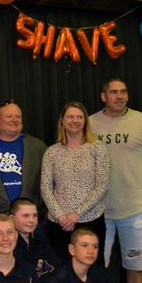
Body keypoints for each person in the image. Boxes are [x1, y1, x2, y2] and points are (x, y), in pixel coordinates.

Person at [89, 78, 142, 283]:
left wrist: (136, 182)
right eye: (113, 92)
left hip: (134, 210)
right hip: (99, 211)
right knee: (99, 268)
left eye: (123, 92)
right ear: (104, 96)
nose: (119, 96)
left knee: (135, 267)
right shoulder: (90, 123)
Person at [40, 101, 110, 261]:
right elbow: (45, 188)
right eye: (70, 117)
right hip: (59, 224)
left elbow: (102, 186)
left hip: (90, 220)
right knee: (60, 272)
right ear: (62, 121)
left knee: (92, 273)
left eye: (79, 117)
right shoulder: (51, 152)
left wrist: (76, 214)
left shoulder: (97, 148)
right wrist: (61, 217)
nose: (75, 120)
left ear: (85, 121)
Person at [0, 100, 48, 219]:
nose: (14, 120)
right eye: (9, 116)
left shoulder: (38, 147)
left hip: (31, 218)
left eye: (18, 116)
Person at [11, 197, 60, 283]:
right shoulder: (7, 244)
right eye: (25, 216)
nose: (31, 220)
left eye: (35, 215)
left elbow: (56, 266)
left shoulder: (39, 239)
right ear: (11, 218)